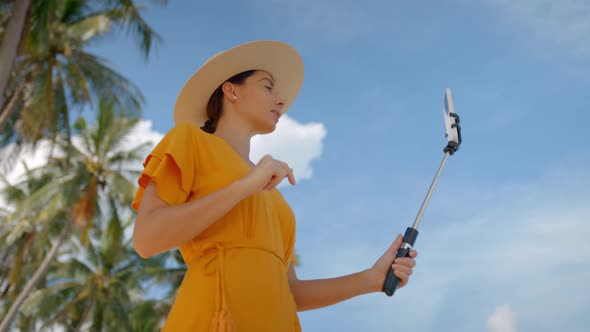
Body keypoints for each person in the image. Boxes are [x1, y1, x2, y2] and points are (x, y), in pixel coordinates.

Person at [131, 40, 418, 332]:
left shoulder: (274, 199)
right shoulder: (189, 141)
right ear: (231, 90)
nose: (280, 101)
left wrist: (371, 279)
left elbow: (289, 291)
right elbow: (147, 238)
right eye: (268, 87)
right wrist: (245, 186)